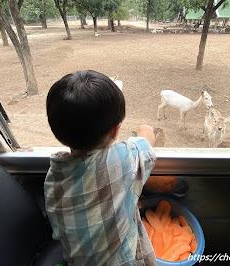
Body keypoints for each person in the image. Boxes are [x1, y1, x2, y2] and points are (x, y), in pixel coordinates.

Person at [44, 70, 158, 266]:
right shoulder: (121, 159)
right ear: (115, 129)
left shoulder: (54, 177)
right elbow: (147, 141)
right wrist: (146, 128)